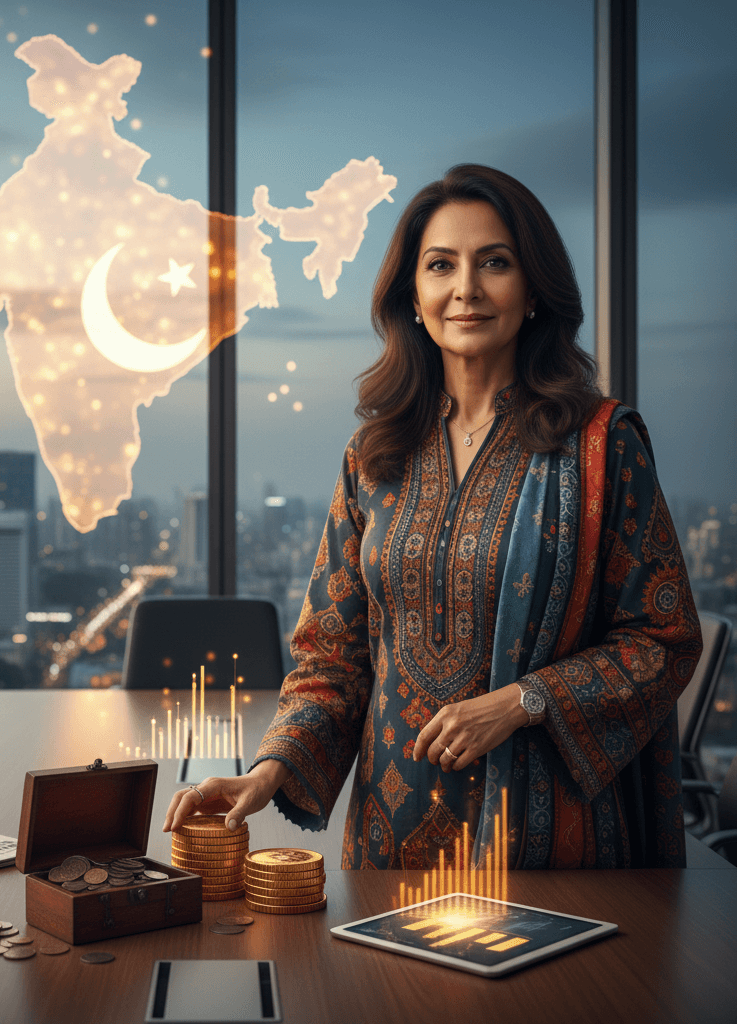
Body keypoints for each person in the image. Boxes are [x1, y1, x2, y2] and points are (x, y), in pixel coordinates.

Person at [163, 164, 702, 869]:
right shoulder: (374, 456)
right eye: (441, 265)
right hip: (392, 843)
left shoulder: (602, 446)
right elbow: (334, 653)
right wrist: (268, 770)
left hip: (550, 844)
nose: (466, 289)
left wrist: (522, 701)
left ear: (534, 289)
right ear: (412, 295)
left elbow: (663, 639)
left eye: (495, 263)